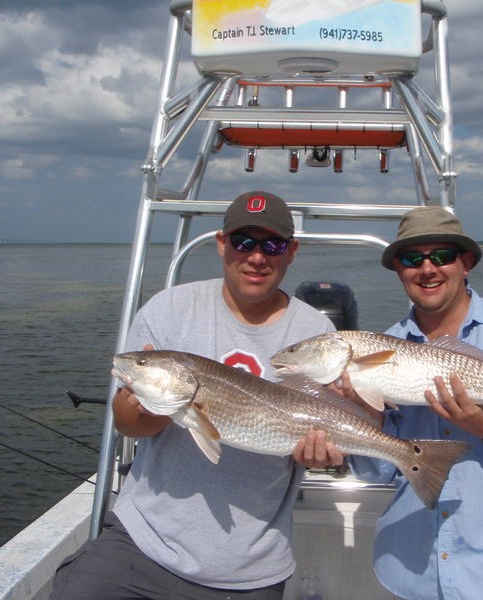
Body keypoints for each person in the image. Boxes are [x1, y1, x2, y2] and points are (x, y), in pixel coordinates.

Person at [296, 206, 483, 600]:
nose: (427, 268)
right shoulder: (382, 345)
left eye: (441, 256)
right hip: (412, 572)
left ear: (466, 263)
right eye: (412, 259)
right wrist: (365, 413)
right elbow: (375, 473)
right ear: (398, 270)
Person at [51, 191, 335, 600]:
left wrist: (321, 453)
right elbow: (128, 422)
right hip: (142, 541)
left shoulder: (315, 332)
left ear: (290, 252)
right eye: (244, 242)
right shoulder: (168, 310)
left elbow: (324, 421)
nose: (257, 257)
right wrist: (153, 398)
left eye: (272, 245)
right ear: (222, 244)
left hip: (250, 566)